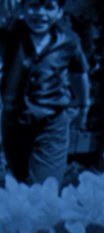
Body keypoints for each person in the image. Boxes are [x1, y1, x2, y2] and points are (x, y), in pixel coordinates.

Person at [0, 0, 90, 186]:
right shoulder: (9, 35)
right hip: (14, 122)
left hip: (51, 125)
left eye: (49, 7)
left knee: (44, 188)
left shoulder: (68, 41)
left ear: (59, 12)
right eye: (33, 6)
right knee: (17, 184)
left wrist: (83, 105)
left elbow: (79, 75)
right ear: (22, 9)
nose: (40, 14)